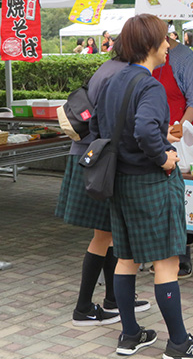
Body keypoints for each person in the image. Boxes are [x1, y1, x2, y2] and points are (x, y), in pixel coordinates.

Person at [94, 14, 193, 359]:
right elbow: (143, 133)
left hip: (119, 180)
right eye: (165, 39)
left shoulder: (113, 80)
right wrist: (165, 157)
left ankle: (130, 333)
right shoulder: (149, 84)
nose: (169, 45)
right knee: (167, 260)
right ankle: (180, 343)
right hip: (150, 181)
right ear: (150, 44)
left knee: (126, 257)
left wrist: (154, 137)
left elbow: (106, 129)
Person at [56, 36, 150, 327]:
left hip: (92, 155)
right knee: (103, 235)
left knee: (109, 232)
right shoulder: (119, 74)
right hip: (97, 159)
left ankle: (113, 299)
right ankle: (83, 307)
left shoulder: (108, 68)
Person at [151, 33, 193, 278]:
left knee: (182, 195)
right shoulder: (146, 55)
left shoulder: (184, 57)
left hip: (181, 134)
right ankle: (157, 253)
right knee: (156, 194)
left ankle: (183, 254)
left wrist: (178, 128)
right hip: (152, 134)